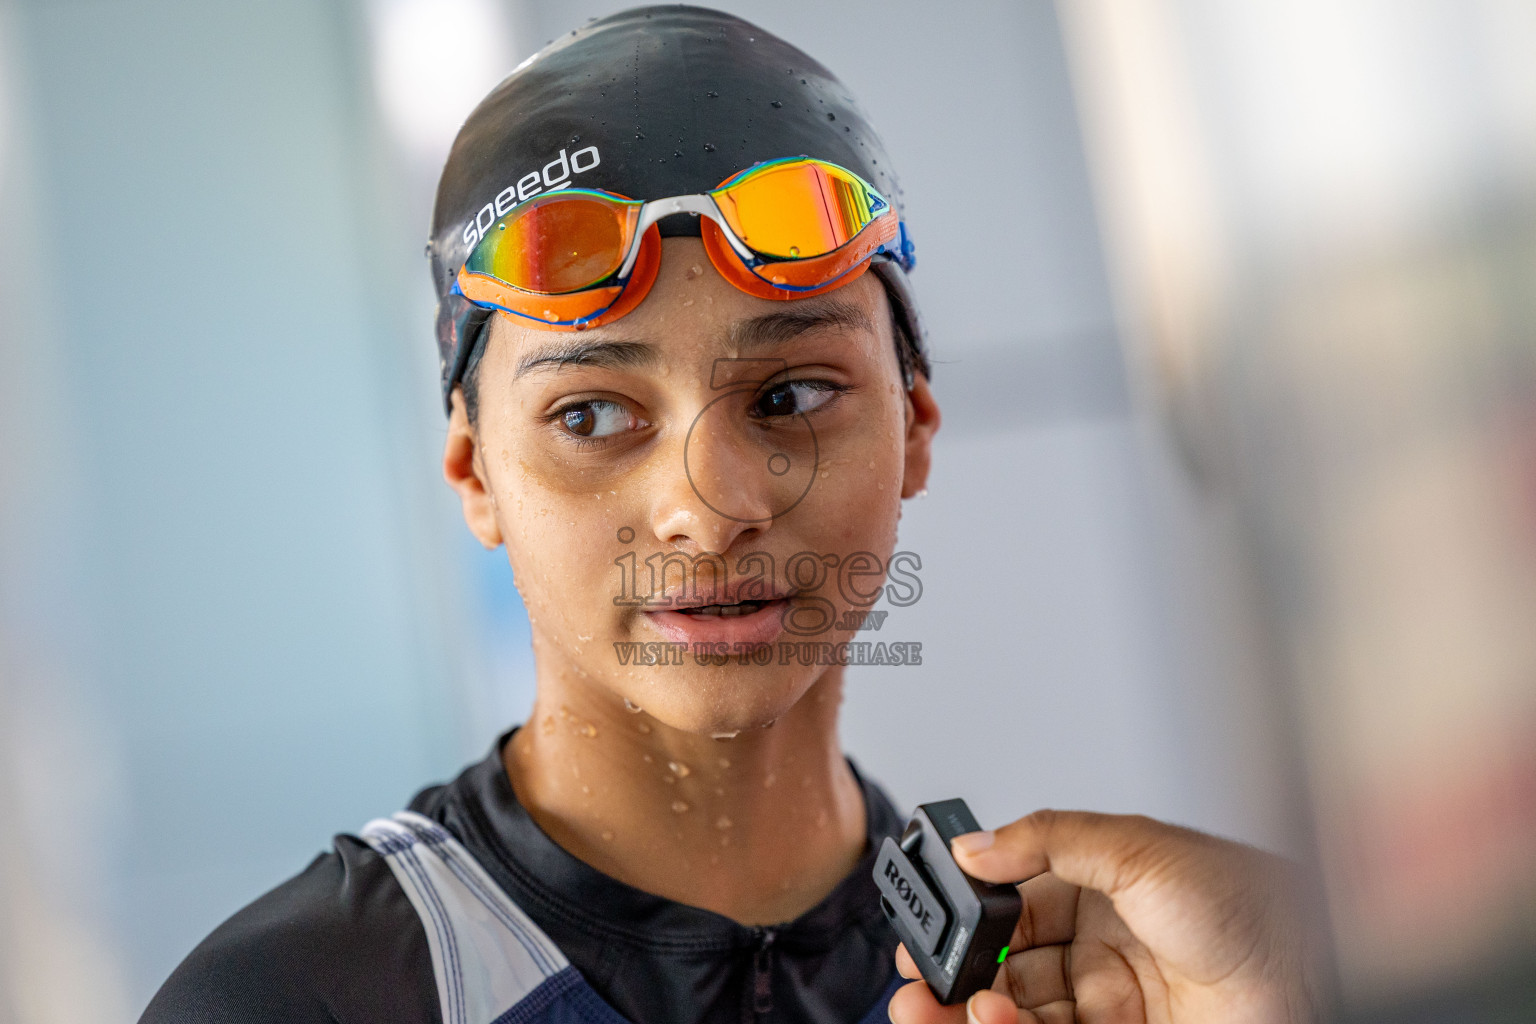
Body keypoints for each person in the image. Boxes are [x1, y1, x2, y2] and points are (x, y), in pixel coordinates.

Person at [139, 7, 1316, 1024]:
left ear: (913, 429)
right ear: (476, 478)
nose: (713, 507)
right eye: (594, 415)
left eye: (791, 395)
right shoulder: (306, 999)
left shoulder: (1089, 981)